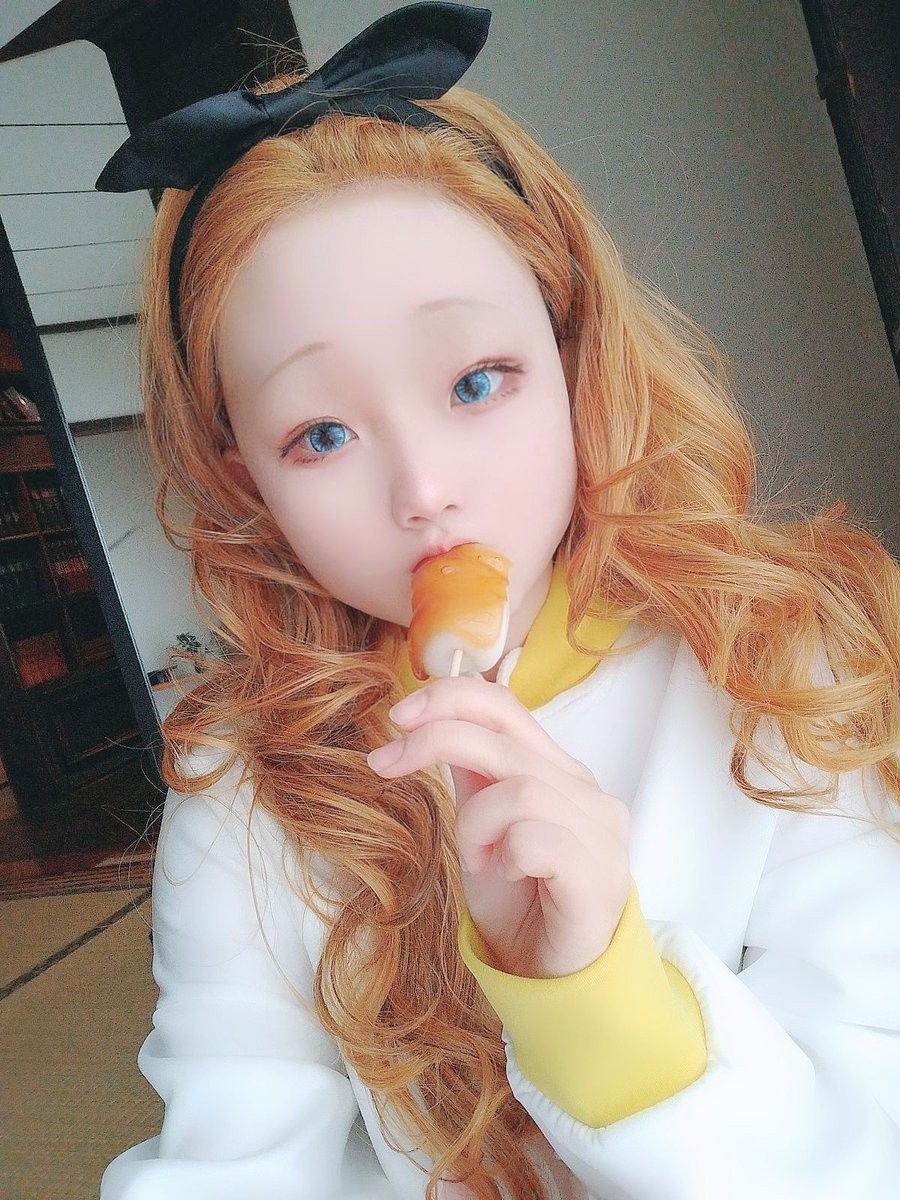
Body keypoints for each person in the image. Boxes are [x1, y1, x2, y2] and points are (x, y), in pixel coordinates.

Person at [96, 4, 899, 1198]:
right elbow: (232, 1155)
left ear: (574, 352)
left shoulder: (783, 660)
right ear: (244, 478)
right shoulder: (242, 788)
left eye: (477, 381)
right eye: (322, 434)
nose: (424, 491)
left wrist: (600, 995)